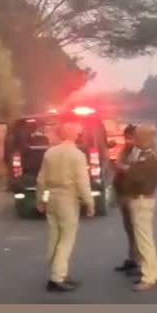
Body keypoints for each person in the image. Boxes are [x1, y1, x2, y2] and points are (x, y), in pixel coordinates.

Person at [36, 120, 95, 292]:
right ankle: (57, 278)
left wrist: (40, 200)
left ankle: (57, 271)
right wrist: (89, 203)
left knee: (54, 236)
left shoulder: (50, 153)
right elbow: (83, 183)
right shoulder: (77, 156)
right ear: (75, 135)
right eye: (79, 132)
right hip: (68, 199)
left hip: (52, 198)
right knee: (66, 240)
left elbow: (41, 180)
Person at [122, 123, 157, 292]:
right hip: (143, 198)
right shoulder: (148, 154)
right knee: (144, 239)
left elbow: (135, 177)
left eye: (138, 136)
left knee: (144, 240)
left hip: (141, 199)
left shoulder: (148, 157)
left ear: (145, 138)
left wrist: (126, 170)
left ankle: (149, 276)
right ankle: (151, 272)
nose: (135, 139)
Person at [113, 123, 140, 276]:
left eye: (130, 137)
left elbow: (135, 172)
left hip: (132, 195)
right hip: (123, 193)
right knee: (129, 230)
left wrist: (121, 167)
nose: (127, 140)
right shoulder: (126, 149)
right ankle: (132, 259)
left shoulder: (139, 152)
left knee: (136, 230)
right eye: (126, 137)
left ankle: (139, 263)